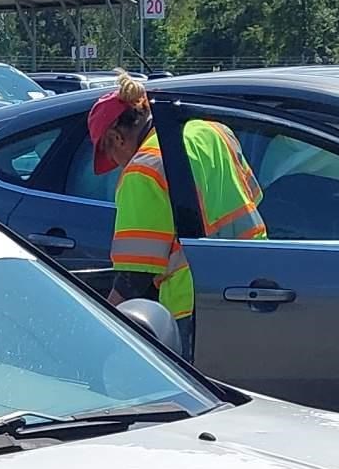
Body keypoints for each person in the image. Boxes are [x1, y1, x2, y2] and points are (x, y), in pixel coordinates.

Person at [87, 74, 265, 359]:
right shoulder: (214, 132)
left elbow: (134, 277)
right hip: (256, 285)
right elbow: (253, 196)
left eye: (111, 155)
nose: (118, 165)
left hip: (192, 304)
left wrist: (103, 326)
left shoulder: (142, 170)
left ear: (115, 138)